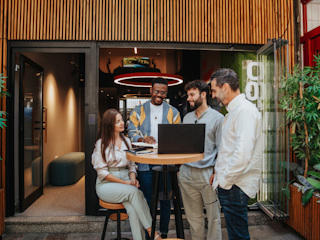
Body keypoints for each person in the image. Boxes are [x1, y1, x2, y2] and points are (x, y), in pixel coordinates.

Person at [91, 109, 163, 240]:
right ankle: (153, 232)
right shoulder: (101, 144)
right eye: (117, 121)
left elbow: (131, 165)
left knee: (133, 208)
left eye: (122, 120)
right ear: (109, 125)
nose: (122, 123)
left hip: (126, 180)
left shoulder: (127, 141)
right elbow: (102, 172)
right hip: (106, 184)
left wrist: (133, 178)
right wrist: (126, 183)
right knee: (135, 192)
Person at [210, 68, 263, 240]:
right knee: (235, 234)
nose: (212, 95)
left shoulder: (243, 111)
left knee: (238, 236)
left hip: (234, 184)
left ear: (225, 87)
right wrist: (218, 175)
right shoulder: (235, 111)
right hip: (232, 183)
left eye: (214, 90)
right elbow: (229, 150)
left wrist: (224, 181)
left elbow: (242, 154)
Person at [127, 77, 181, 239]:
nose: (159, 95)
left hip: (166, 163)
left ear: (166, 93)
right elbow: (131, 131)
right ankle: (150, 234)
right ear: (150, 90)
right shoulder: (138, 110)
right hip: (145, 163)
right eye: (156, 91)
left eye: (163, 92)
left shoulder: (174, 112)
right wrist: (143, 139)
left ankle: (163, 233)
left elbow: (178, 135)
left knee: (166, 200)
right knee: (148, 200)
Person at [178, 80, 223, 240]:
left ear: (203, 95)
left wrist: (216, 172)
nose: (188, 98)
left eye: (192, 95)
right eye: (188, 95)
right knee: (193, 219)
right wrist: (180, 170)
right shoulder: (187, 118)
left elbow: (222, 150)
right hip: (186, 174)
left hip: (207, 175)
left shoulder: (218, 118)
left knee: (214, 218)